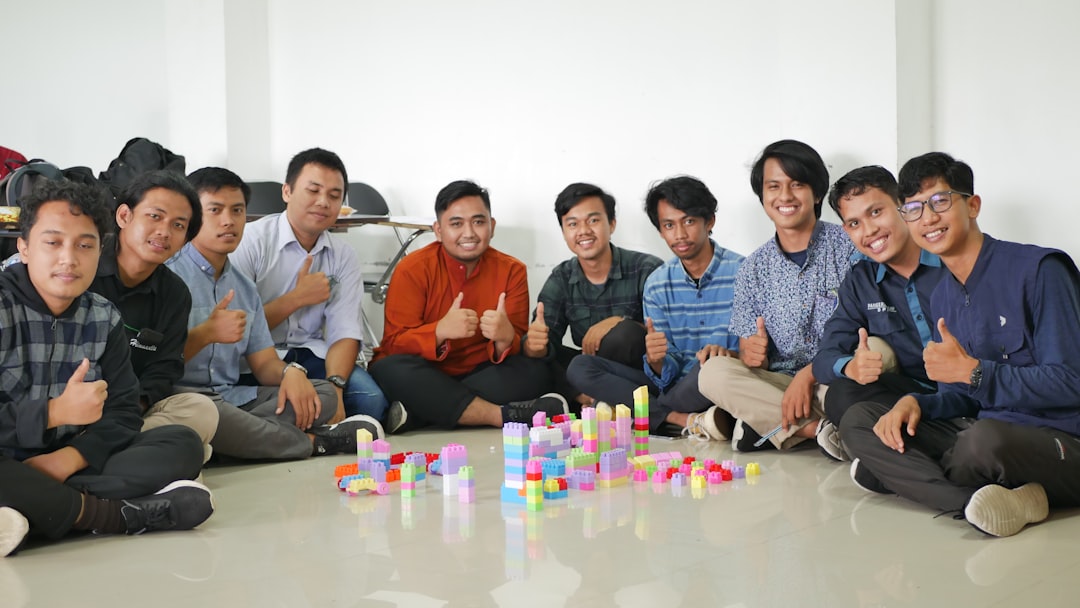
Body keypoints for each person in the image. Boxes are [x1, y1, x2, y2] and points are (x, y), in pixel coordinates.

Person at [840, 152, 1080, 537]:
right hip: (987, 427)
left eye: (940, 201)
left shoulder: (1040, 270)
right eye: (914, 209)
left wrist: (977, 373)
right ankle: (989, 501)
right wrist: (917, 403)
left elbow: (1071, 382)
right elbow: (961, 397)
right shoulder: (944, 297)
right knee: (862, 421)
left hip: (1060, 439)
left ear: (972, 206)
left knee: (979, 444)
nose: (928, 219)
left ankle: (908, 478)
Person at [0, 181, 212, 557]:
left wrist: (66, 460)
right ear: (24, 248)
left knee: (182, 444)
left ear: (100, 251)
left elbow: (125, 411)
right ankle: (111, 515)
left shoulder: (102, 315)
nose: (69, 258)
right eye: (53, 243)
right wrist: (53, 413)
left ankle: (28, 507)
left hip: (66, 458)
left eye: (85, 246)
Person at [168, 167, 383, 460]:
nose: (228, 221)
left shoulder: (243, 286)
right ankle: (311, 442)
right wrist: (206, 334)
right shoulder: (168, 277)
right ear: (191, 215)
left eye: (237, 210)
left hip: (233, 398)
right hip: (182, 400)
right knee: (203, 412)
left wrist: (290, 372)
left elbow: (264, 362)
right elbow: (154, 365)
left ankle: (229, 443)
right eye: (215, 210)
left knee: (323, 394)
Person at [369, 180, 565, 433]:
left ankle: (422, 412)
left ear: (492, 226)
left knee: (536, 371)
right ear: (438, 230)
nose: (469, 233)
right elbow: (394, 342)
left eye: (478, 222)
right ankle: (499, 415)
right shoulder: (412, 269)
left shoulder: (512, 270)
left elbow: (516, 344)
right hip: (425, 370)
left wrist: (506, 339)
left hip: (481, 372)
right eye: (456, 224)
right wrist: (439, 331)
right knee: (389, 369)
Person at [698, 139, 854, 450]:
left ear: (817, 193)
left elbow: (864, 330)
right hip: (780, 385)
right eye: (774, 186)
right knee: (712, 373)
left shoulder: (849, 245)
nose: (785, 196)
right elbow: (750, 353)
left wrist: (810, 375)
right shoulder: (753, 268)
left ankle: (765, 423)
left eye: (797, 184)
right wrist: (752, 355)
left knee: (859, 383)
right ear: (763, 196)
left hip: (836, 381)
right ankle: (818, 430)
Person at [566, 176, 744, 436]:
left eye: (689, 221)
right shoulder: (658, 283)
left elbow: (754, 356)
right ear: (660, 231)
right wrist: (656, 360)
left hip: (717, 381)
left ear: (710, 221)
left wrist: (727, 356)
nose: (680, 234)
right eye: (669, 225)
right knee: (580, 367)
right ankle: (678, 418)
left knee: (710, 370)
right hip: (671, 388)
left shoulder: (744, 272)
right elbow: (665, 372)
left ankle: (637, 412)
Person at [230, 148, 387, 424]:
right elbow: (237, 330)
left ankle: (307, 420)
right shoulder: (250, 243)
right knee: (263, 404)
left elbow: (344, 331)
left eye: (334, 196)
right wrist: (296, 298)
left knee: (369, 401)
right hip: (254, 360)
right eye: (313, 190)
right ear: (287, 192)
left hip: (310, 353)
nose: (323, 202)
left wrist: (336, 388)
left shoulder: (342, 255)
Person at [810, 166, 948, 461]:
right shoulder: (860, 280)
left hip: (971, 389)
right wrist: (851, 367)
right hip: (912, 395)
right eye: (854, 223)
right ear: (847, 230)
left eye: (876, 212)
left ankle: (888, 455)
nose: (869, 230)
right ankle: (903, 448)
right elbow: (824, 358)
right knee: (841, 395)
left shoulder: (949, 256)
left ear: (902, 206)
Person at [89, 170, 219, 463]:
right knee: (190, 449)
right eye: (155, 216)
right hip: (75, 403)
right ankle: (151, 457)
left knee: (200, 410)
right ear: (124, 216)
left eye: (178, 225)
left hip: (128, 412)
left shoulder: (174, 293)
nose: (164, 231)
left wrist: (130, 410)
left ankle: (109, 452)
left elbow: (164, 370)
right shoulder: (84, 266)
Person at [523, 183, 662, 407]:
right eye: (572, 224)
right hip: (588, 370)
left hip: (639, 375)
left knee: (624, 334)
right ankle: (588, 396)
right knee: (535, 357)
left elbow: (667, 335)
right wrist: (534, 345)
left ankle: (600, 397)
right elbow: (543, 338)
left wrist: (618, 322)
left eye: (593, 220)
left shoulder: (647, 269)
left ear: (612, 224)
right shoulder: (562, 277)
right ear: (564, 232)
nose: (583, 231)